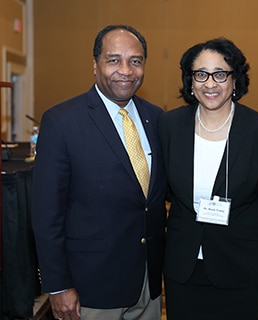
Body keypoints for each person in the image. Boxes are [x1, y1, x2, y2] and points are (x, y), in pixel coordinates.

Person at [31, 24, 167, 320]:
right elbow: (46, 214)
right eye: (114, 60)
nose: (126, 70)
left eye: (135, 61)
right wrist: (57, 286)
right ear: (95, 65)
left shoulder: (156, 118)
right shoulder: (62, 121)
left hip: (147, 283)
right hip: (90, 288)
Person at [158, 38, 258, 320]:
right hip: (184, 271)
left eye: (220, 74)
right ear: (190, 81)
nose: (210, 84)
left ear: (235, 80)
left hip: (243, 271)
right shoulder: (169, 127)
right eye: (201, 74)